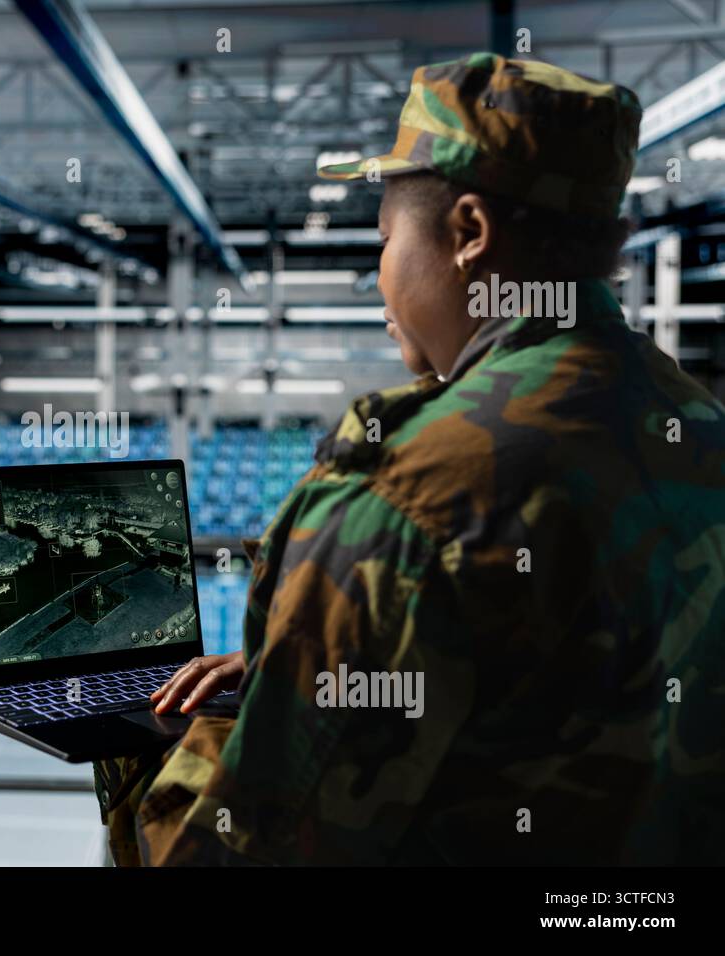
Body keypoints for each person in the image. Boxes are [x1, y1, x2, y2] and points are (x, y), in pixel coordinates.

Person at [96, 52, 725, 865]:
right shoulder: (695, 424)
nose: (380, 277)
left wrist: (207, 725)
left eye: (387, 240)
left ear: (468, 233)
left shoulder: (409, 490)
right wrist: (333, 659)